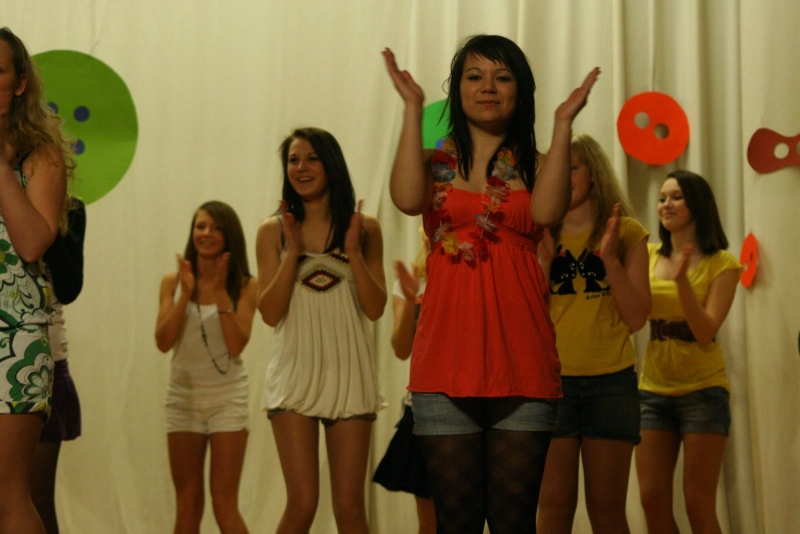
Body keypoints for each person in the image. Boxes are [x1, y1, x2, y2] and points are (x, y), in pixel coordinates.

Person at [383, 35, 599, 533]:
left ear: (520, 92)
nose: (488, 87)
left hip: (521, 363)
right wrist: (413, 107)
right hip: (445, 362)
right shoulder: (434, 163)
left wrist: (563, 123)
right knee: (454, 524)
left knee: (513, 524)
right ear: (457, 89)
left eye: (502, 77)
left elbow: (547, 212)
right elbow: (407, 200)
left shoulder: (537, 165)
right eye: (474, 76)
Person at [256, 127, 386, 534]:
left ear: (331, 164)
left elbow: (375, 307)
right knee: (302, 503)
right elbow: (269, 313)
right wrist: (292, 252)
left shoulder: (365, 228)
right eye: (293, 160)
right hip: (294, 375)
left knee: (350, 508)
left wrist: (353, 252)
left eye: (312, 158)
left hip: (350, 375)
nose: (302, 167)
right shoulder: (272, 231)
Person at [536, 134, 651, 534]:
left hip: (612, 383)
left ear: (594, 174)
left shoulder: (628, 232)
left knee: (607, 511)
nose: (563, 177)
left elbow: (637, 318)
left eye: (572, 167)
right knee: (553, 508)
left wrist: (611, 260)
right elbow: (526, 316)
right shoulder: (537, 234)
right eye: (557, 169)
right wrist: (544, 261)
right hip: (552, 383)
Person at [635, 171, 740, 534]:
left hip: (703, 391)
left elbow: (705, 331)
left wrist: (681, 282)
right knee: (651, 499)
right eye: (662, 198)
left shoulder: (722, 263)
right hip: (652, 391)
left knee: (697, 501)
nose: (666, 204)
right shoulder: (648, 254)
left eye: (676, 197)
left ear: (697, 203)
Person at [0, 26, 71, 534]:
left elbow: (30, 244)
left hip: (14, 336)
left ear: (20, 83)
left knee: (8, 494)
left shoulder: (39, 155)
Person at [155, 201, 257, 534]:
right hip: (183, 399)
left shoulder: (245, 285)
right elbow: (163, 341)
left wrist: (222, 294)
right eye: (200, 227)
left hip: (228, 398)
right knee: (187, 504)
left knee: (224, 502)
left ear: (229, 236)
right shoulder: (172, 281)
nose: (206, 234)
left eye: (215, 228)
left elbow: (236, 345)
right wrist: (186, 293)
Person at [372, 230, 435, 534]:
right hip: (423, 405)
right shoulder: (413, 281)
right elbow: (400, 348)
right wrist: (411, 300)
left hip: (473, 401)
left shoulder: (475, 273)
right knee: (430, 519)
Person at [30, 197, 86, 534]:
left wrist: (45, 224)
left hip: (43, 366)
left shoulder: (70, 210)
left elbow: (69, 287)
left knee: (35, 497)